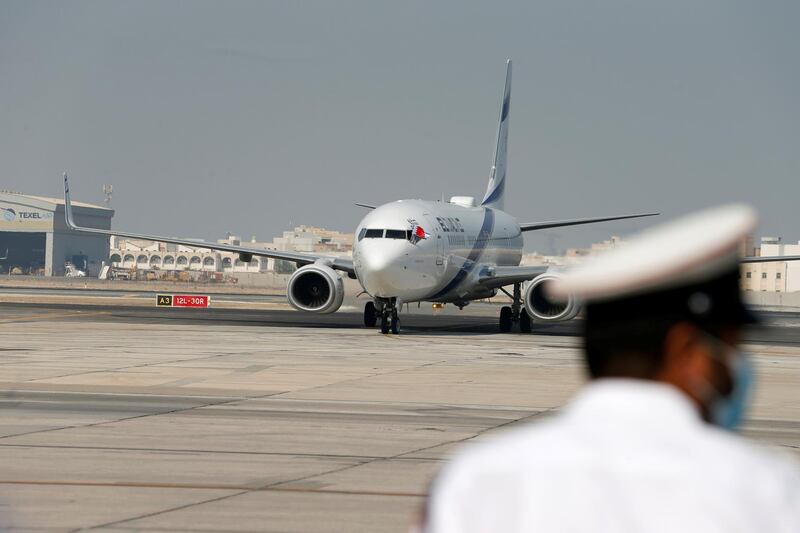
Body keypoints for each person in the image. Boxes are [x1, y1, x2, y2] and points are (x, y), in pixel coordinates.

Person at [423, 204, 800, 532]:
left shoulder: (474, 481)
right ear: (686, 351)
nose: (739, 366)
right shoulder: (765, 491)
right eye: (731, 346)